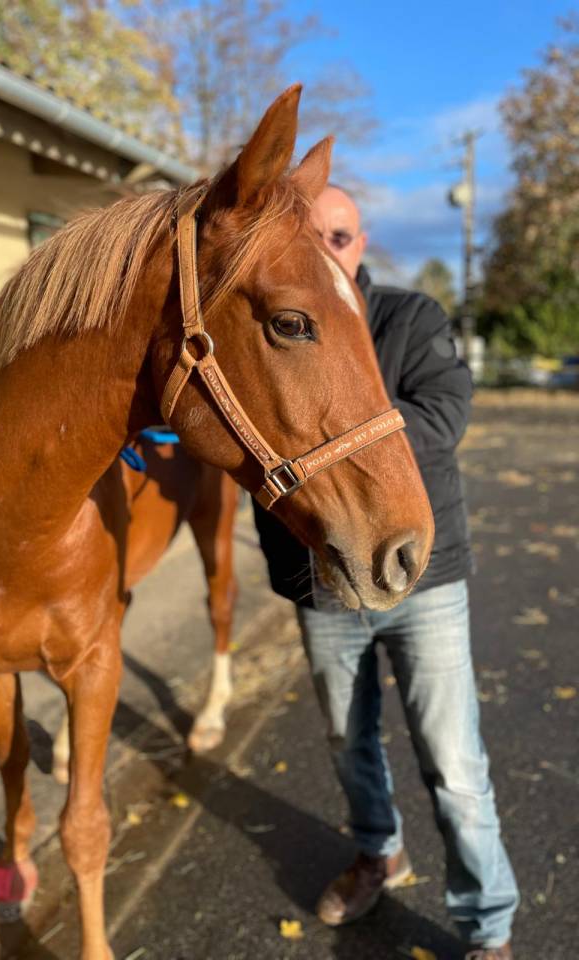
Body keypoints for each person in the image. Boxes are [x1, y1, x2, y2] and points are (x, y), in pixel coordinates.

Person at [252, 185, 518, 960]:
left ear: (361, 242)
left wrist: (333, 446)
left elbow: (444, 415)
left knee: (455, 762)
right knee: (346, 741)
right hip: (326, 584)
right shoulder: (266, 332)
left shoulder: (411, 319)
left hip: (420, 580)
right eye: (313, 236)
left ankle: (487, 925)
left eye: (340, 236)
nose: (327, 249)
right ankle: (380, 851)